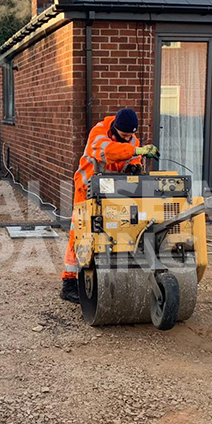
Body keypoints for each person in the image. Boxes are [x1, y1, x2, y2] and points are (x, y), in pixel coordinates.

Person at [60, 108, 158, 302]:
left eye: (130, 136)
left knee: (115, 229)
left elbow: (132, 156)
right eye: (124, 136)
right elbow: (107, 152)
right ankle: (69, 282)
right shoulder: (99, 133)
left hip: (114, 190)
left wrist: (135, 164)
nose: (127, 139)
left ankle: (106, 270)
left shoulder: (131, 140)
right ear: (114, 129)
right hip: (86, 189)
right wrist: (136, 151)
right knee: (80, 233)